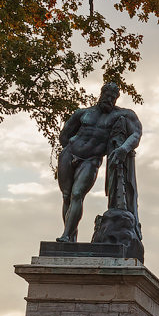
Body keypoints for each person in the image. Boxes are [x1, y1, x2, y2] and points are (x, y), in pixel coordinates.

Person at [56, 82, 143, 243]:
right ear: (100, 95)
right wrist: (72, 149)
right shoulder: (83, 113)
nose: (109, 99)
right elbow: (65, 134)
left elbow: (136, 134)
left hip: (91, 160)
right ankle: (70, 235)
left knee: (77, 194)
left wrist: (124, 148)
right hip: (69, 154)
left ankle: (66, 236)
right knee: (67, 196)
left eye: (113, 97)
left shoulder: (122, 115)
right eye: (106, 95)